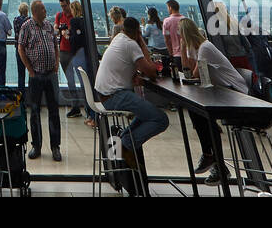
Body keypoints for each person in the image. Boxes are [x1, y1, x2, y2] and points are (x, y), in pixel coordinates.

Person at [94, 16, 169, 190]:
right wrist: (142, 44)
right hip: (114, 95)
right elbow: (151, 71)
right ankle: (127, 144)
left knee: (146, 113)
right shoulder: (131, 44)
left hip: (105, 94)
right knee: (160, 119)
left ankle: (125, 140)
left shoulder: (119, 38)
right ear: (137, 32)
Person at [178, 17, 245, 184]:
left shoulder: (205, 48)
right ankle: (214, 159)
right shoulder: (198, 48)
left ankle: (212, 158)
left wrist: (183, 47)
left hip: (235, 93)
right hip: (223, 91)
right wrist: (183, 48)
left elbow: (194, 75)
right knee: (196, 111)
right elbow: (187, 70)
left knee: (200, 113)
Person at [17, 0, 61, 162]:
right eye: (42, 8)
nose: (45, 10)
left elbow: (55, 45)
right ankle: (36, 145)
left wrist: (56, 63)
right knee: (34, 112)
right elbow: (21, 48)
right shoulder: (26, 27)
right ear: (35, 11)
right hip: (36, 76)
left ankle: (55, 147)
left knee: (54, 111)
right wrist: (29, 69)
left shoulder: (49, 26)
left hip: (51, 75)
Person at [66, 1, 92, 122]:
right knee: (89, 84)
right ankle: (92, 114)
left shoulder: (74, 21)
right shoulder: (86, 20)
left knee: (83, 84)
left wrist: (67, 36)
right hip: (87, 55)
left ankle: (90, 114)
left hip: (78, 56)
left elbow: (75, 40)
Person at [12, 2, 29, 93]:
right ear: (27, 11)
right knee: (31, 72)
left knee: (20, 74)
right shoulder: (30, 21)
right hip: (29, 50)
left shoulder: (15, 20)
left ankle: (21, 97)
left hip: (19, 49)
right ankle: (32, 96)